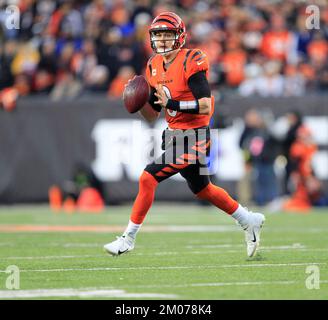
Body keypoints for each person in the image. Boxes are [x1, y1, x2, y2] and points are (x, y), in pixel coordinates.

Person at [104, 12, 265, 258]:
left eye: (168, 35)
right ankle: (248, 219)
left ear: (180, 36)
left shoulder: (193, 59)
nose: (163, 41)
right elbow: (153, 114)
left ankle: (128, 238)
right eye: (159, 35)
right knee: (203, 189)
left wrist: (174, 104)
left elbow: (205, 105)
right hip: (174, 135)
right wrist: (137, 104)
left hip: (195, 136)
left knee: (148, 178)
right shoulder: (153, 65)